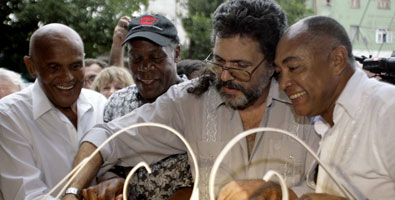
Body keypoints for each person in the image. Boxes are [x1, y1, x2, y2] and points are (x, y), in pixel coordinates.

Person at [64, 1, 320, 199]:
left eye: (241, 66)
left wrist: (281, 194)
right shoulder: (192, 102)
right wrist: (72, 192)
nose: (226, 76)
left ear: (273, 63)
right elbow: (105, 138)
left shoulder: (308, 105)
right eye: (218, 62)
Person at [218, 15, 395, 200]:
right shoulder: (324, 121)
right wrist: (277, 193)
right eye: (279, 73)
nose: (283, 84)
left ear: (337, 60)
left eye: (293, 68)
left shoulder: (387, 111)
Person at [81, 14, 191, 200]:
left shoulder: (196, 103)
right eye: (136, 59)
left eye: (156, 58)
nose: (145, 67)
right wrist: (114, 181)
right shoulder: (117, 103)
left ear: (177, 54)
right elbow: (106, 165)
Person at [0, 23, 107, 200]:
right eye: (54, 68)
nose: (67, 77)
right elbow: (27, 195)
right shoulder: (9, 116)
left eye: (75, 66)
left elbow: (113, 165)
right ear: (31, 66)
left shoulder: (99, 103)